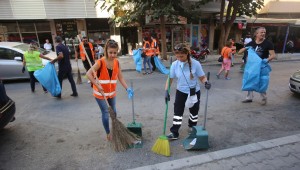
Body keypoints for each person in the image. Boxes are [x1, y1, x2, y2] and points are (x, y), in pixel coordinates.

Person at [86, 39, 134, 141]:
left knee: (114, 112)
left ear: (117, 52)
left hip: (111, 93)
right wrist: (97, 85)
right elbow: (88, 74)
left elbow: (120, 77)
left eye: (115, 52)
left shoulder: (117, 62)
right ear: (106, 51)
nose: (112, 55)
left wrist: (127, 88)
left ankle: (115, 129)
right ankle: (108, 133)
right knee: (106, 113)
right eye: (110, 52)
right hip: (100, 93)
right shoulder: (100, 62)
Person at [164, 43, 211, 140]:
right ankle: (174, 132)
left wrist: (206, 82)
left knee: (194, 111)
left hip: (194, 91)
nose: (179, 58)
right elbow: (170, 79)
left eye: (181, 56)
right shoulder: (175, 64)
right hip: (181, 91)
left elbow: (202, 77)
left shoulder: (196, 64)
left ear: (187, 54)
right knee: (177, 112)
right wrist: (166, 91)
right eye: (177, 56)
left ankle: (192, 126)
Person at [238, 27, 275, 105]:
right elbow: (239, 52)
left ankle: (263, 99)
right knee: (250, 80)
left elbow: (273, 55)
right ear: (256, 34)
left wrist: (267, 60)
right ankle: (249, 98)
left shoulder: (268, 43)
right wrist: (245, 48)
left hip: (262, 66)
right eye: (261, 32)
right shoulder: (251, 43)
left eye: (264, 32)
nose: (263, 34)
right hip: (252, 66)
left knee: (262, 82)